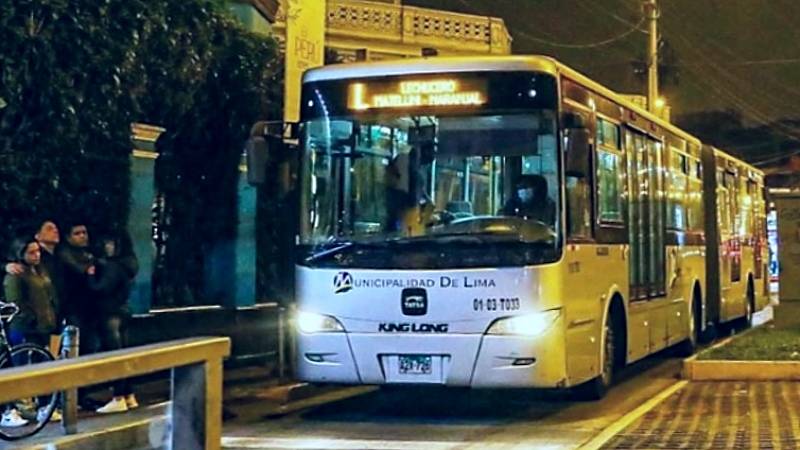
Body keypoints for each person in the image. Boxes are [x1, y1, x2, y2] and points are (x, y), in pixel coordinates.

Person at [1, 239, 61, 427]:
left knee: (41, 365)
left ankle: (43, 405)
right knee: (17, 366)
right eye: (31, 252)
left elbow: (50, 295)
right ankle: (12, 409)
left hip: (43, 325)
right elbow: (16, 302)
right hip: (25, 327)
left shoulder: (41, 270)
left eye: (38, 252)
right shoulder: (16, 274)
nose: (37, 255)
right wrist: (31, 320)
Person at [89, 234, 139, 414]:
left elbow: (100, 288)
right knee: (123, 353)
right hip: (123, 311)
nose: (106, 246)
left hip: (109, 313)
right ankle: (128, 394)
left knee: (115, 355)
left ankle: (118, 397)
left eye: (110, 242)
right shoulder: (128, 264)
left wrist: (91, 277)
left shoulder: (111, 266)